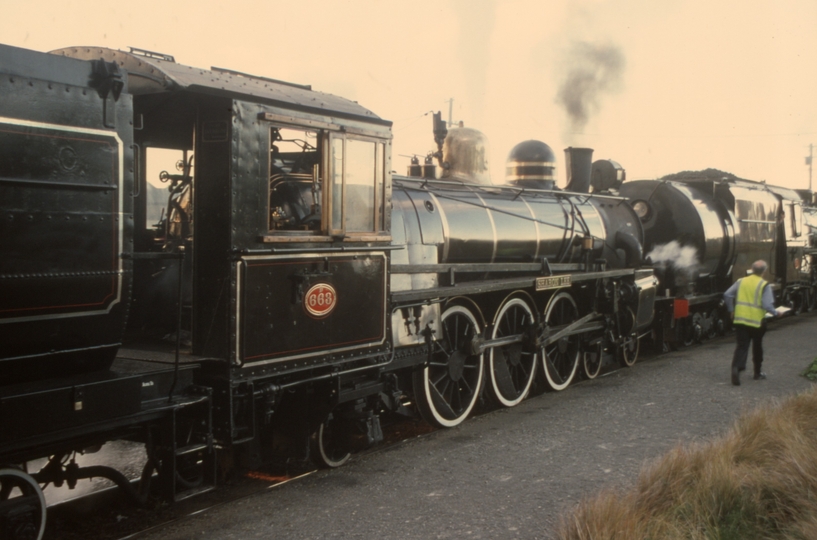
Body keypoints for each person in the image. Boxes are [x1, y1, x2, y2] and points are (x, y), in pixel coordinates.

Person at [723, 260, 778, 386]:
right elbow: (767, 305)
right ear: (764, 272)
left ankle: (737, 368)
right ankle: (757, 373)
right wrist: (776, 313)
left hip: (740, 320)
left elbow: (727, 294)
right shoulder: (764, 285)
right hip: (757, 322)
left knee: (742, 346)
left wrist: (731, 310)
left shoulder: (741, 281)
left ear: (752, 269)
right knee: (757, 346)